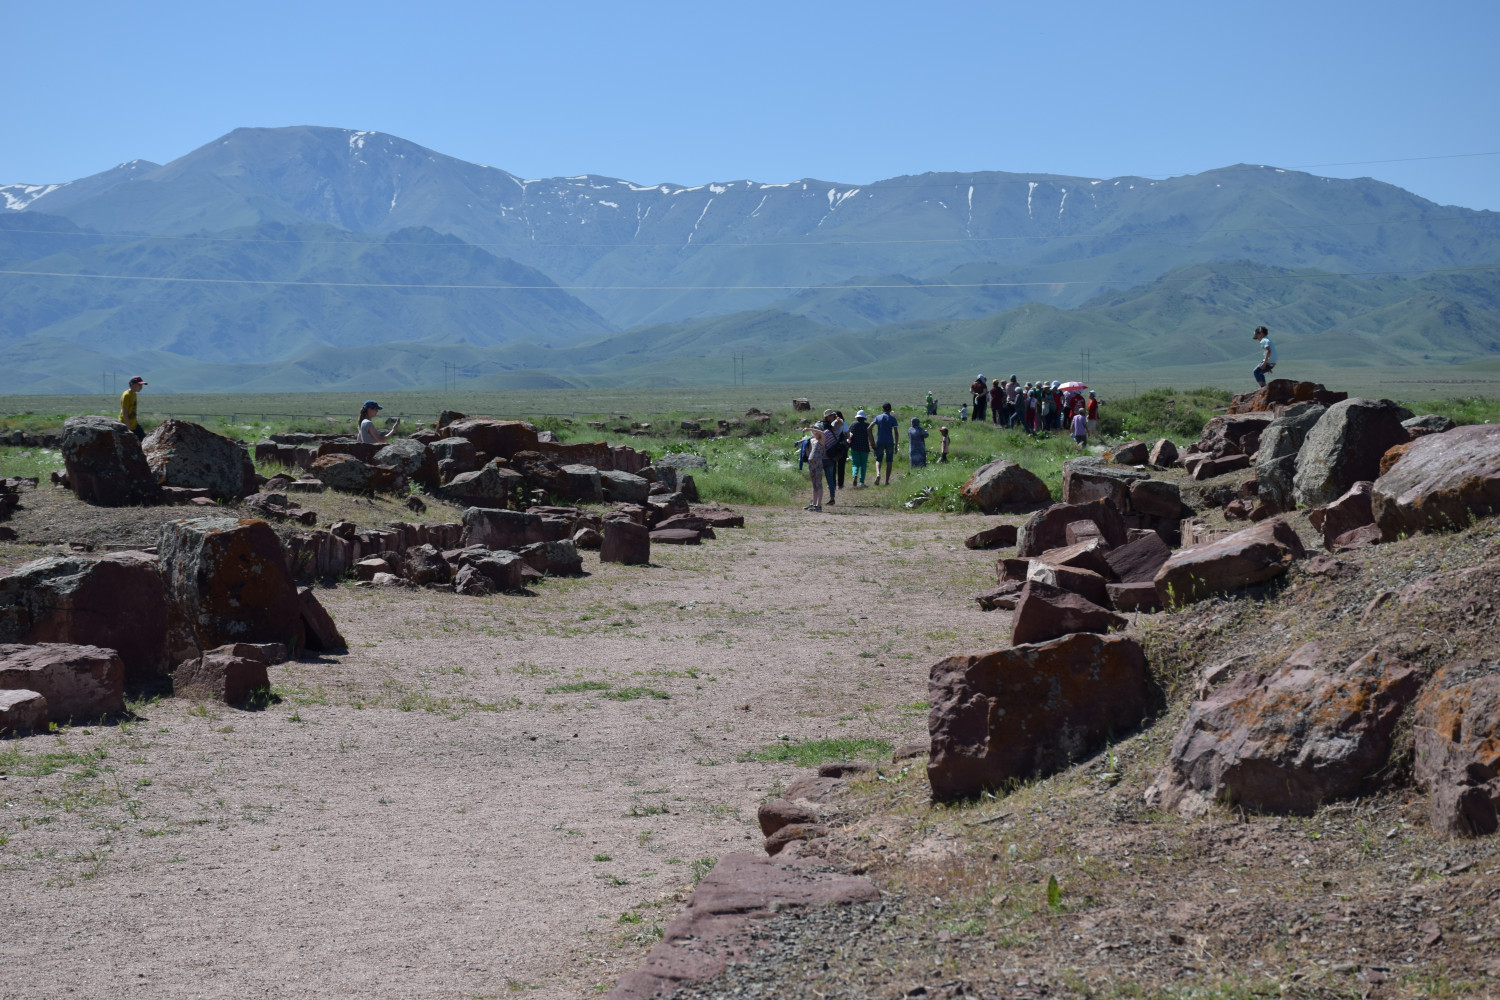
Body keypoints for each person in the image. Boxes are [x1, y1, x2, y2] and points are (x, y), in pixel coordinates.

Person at [872, 402, 899, 485]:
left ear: (882, 409)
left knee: (878, 459)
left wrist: (872, 441)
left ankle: (878, 474)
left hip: (880, 440)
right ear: (890, 410)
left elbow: (869, 428)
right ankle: (887, 481)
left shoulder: (878, 417)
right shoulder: (893, 419)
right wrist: (896, 445)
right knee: (889, 461)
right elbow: (896, 433)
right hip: (890, 441)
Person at [803, 422, 827, 511]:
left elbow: (823, 433)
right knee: (814, 484)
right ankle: (813, 503)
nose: (814, 431)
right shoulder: (812, 440)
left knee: (819, 484)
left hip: (818, 463)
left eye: (816, 429)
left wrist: (810, 429)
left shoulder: (822, 440)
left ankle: (818, 505)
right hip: (811, 463)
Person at [847, 409, 872, 486]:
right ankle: (861, 482)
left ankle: (855, 475)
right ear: (864, 418)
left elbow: (848, 434)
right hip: (864, 447)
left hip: (854, 447)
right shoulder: (867, 425)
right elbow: (870, 436)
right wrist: (873, 445)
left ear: (857, 417)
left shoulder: (853, 424)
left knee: (855, 464)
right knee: (863, 465)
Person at [119, 376, 148, 441]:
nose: (141, 387)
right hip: (126, 425)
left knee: (144, 440)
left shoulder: (134, 394)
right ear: (131, 384)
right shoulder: (126, 395)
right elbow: (125, 411)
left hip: (134, 424)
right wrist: (128, 427)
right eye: (139, 385)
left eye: (141, 385)